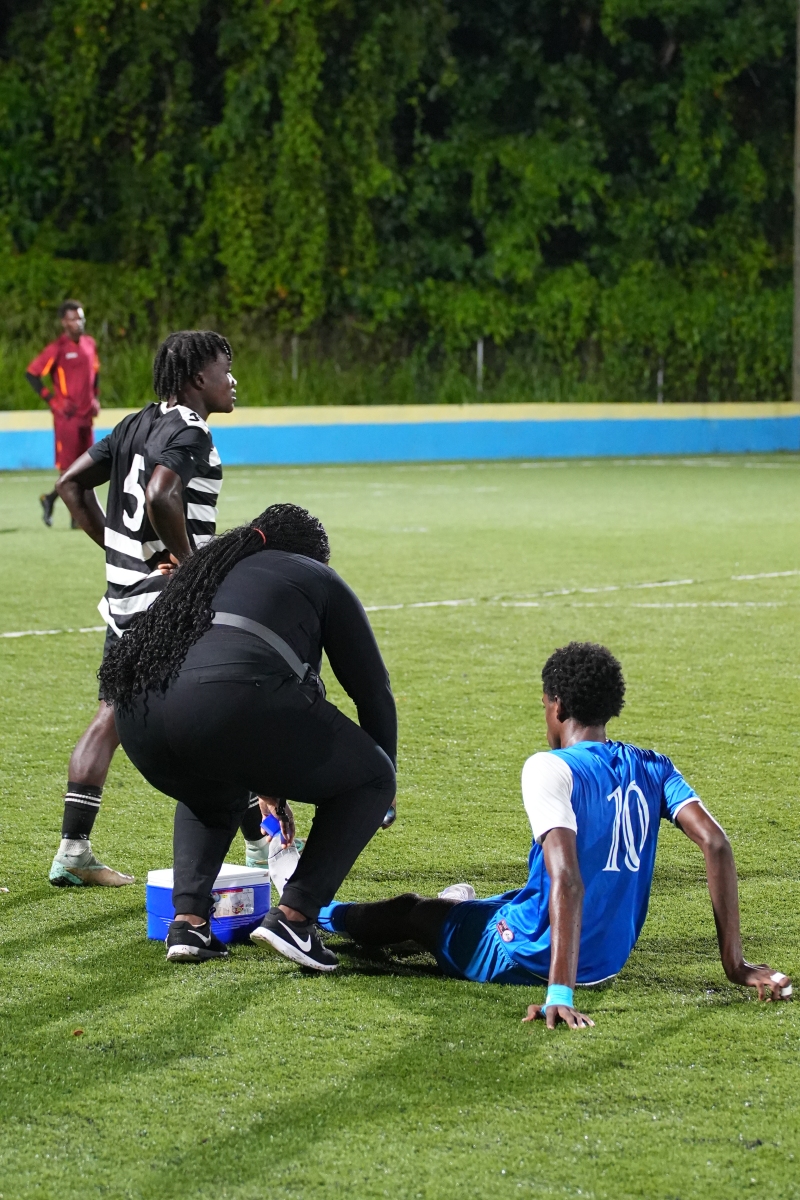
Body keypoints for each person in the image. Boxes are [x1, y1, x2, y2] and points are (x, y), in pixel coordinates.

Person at [316, 641, 792, 1027]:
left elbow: (567, 879)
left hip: (531, 959)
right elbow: (716, 843)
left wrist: (558, 993)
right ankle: (454, 913)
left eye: (544, 704)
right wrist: (735, 964)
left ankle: (318, 914)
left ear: (558, 706)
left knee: (412, 912)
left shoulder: (551, 768)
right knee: (508, 899)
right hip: (607, 959)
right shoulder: (653, 766)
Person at [99, 503, 397, 967]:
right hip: (227, 704)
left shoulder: (204, 571)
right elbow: (372, 691)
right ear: (312, 555)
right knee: (373, 777)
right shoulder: (315, 576)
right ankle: (295, 919)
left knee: (210, 788)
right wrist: (384, 786)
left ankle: (189, 924)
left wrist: (268, 781)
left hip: (139, 722)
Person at [48, 330, 280, 887]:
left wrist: (121, 553)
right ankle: (258, 848)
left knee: (110, 715)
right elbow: (161, 493)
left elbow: (70, 485)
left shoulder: (134, 424)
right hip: (168, 605)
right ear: (199, 378)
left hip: (123, 601)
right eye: (225, 369)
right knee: (223, 713)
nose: (233, 380)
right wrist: (193, 569)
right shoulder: (191, 430)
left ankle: (72, 851)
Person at [26, 300, 101, 527]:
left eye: (81, 318)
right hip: (67, 418)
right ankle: (74, 516)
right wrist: (52, 400)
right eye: (73, 319)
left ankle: (51, 500)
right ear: (64, 322)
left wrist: (95, 397)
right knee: (69, 468)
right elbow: (32, 374)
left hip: (86, 416)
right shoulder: (57, 348)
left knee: (86, 467)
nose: (79, 322)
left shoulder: (89, 344)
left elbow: (95, 373)